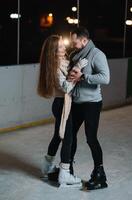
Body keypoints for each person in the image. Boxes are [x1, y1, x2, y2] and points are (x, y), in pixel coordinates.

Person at [37, 34, 87, 187]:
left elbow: (68, 67)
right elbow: (66, 87)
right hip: (62, 105)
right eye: (60, 46)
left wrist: (75, 64)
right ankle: (64, 173)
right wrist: (78, 68)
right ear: (53, 51)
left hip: (63, 104)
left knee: (58, 136)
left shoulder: (61, 62)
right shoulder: (54, 67)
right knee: (68, 138)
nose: (64, 47)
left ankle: (47, 166)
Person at [68, 26, 110, 190]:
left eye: (75, 41)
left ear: (84, 40)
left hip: (92, 103)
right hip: (77, 102)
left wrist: (83, 76)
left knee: (91, 138)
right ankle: (67, 168)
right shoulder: (77, 55)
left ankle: (100, 174)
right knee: (70, 136)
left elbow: (105, 78)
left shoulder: (97, 54)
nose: (73, 44)